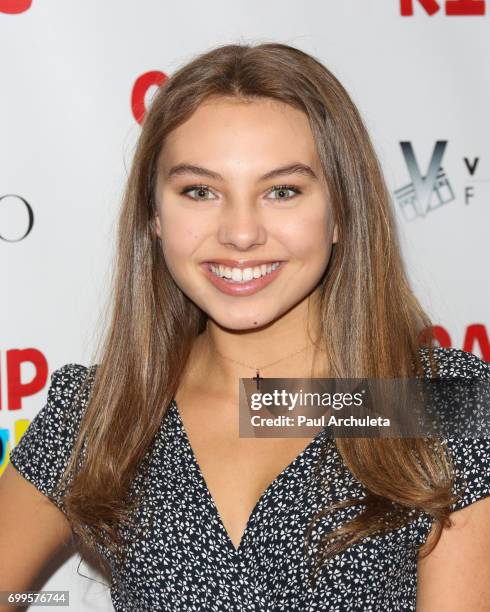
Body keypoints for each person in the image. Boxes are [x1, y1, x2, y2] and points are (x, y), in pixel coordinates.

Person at [1, 42, 489, 612]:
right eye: (200, 191)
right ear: (154, 216)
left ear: (342, 212)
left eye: (282, 191)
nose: (240, 232)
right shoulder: (107, 410)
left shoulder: (435, 402)